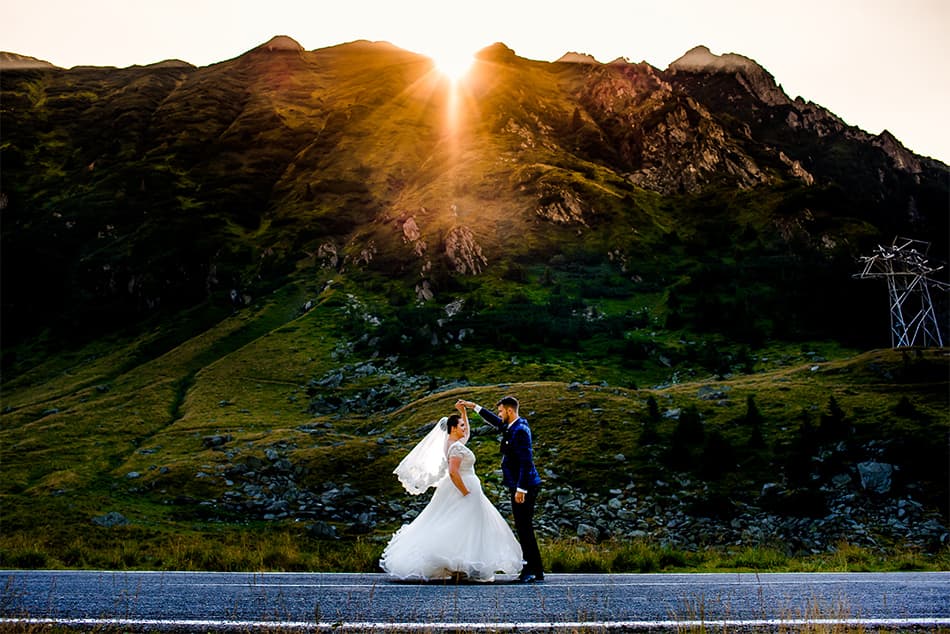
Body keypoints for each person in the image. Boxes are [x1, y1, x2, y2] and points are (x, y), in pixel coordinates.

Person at [379, 403, 523, 582]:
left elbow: (468, 434)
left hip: (465, 487)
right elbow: (453, 472)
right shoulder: (455, 447)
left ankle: (459, 566)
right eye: (461, 425)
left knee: (463, 524)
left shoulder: (453, 443)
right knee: (461, 524)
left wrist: (463, 412)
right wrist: (465, 492)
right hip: (463, 488)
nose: (465, 428)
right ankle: (456, 564)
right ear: (453, 428)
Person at [457, 396, 544, 583]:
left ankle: (530, 570)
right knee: (524, 527)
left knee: (524, 528)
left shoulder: (520, 430)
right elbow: (496, 422)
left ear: (509, 411)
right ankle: (537, 570)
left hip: (525, 486)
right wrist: (474, 407)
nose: (499, 414)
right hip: (521, 485)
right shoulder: (513, 426)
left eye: (501, 411)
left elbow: (525, 461)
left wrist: (521, 489)